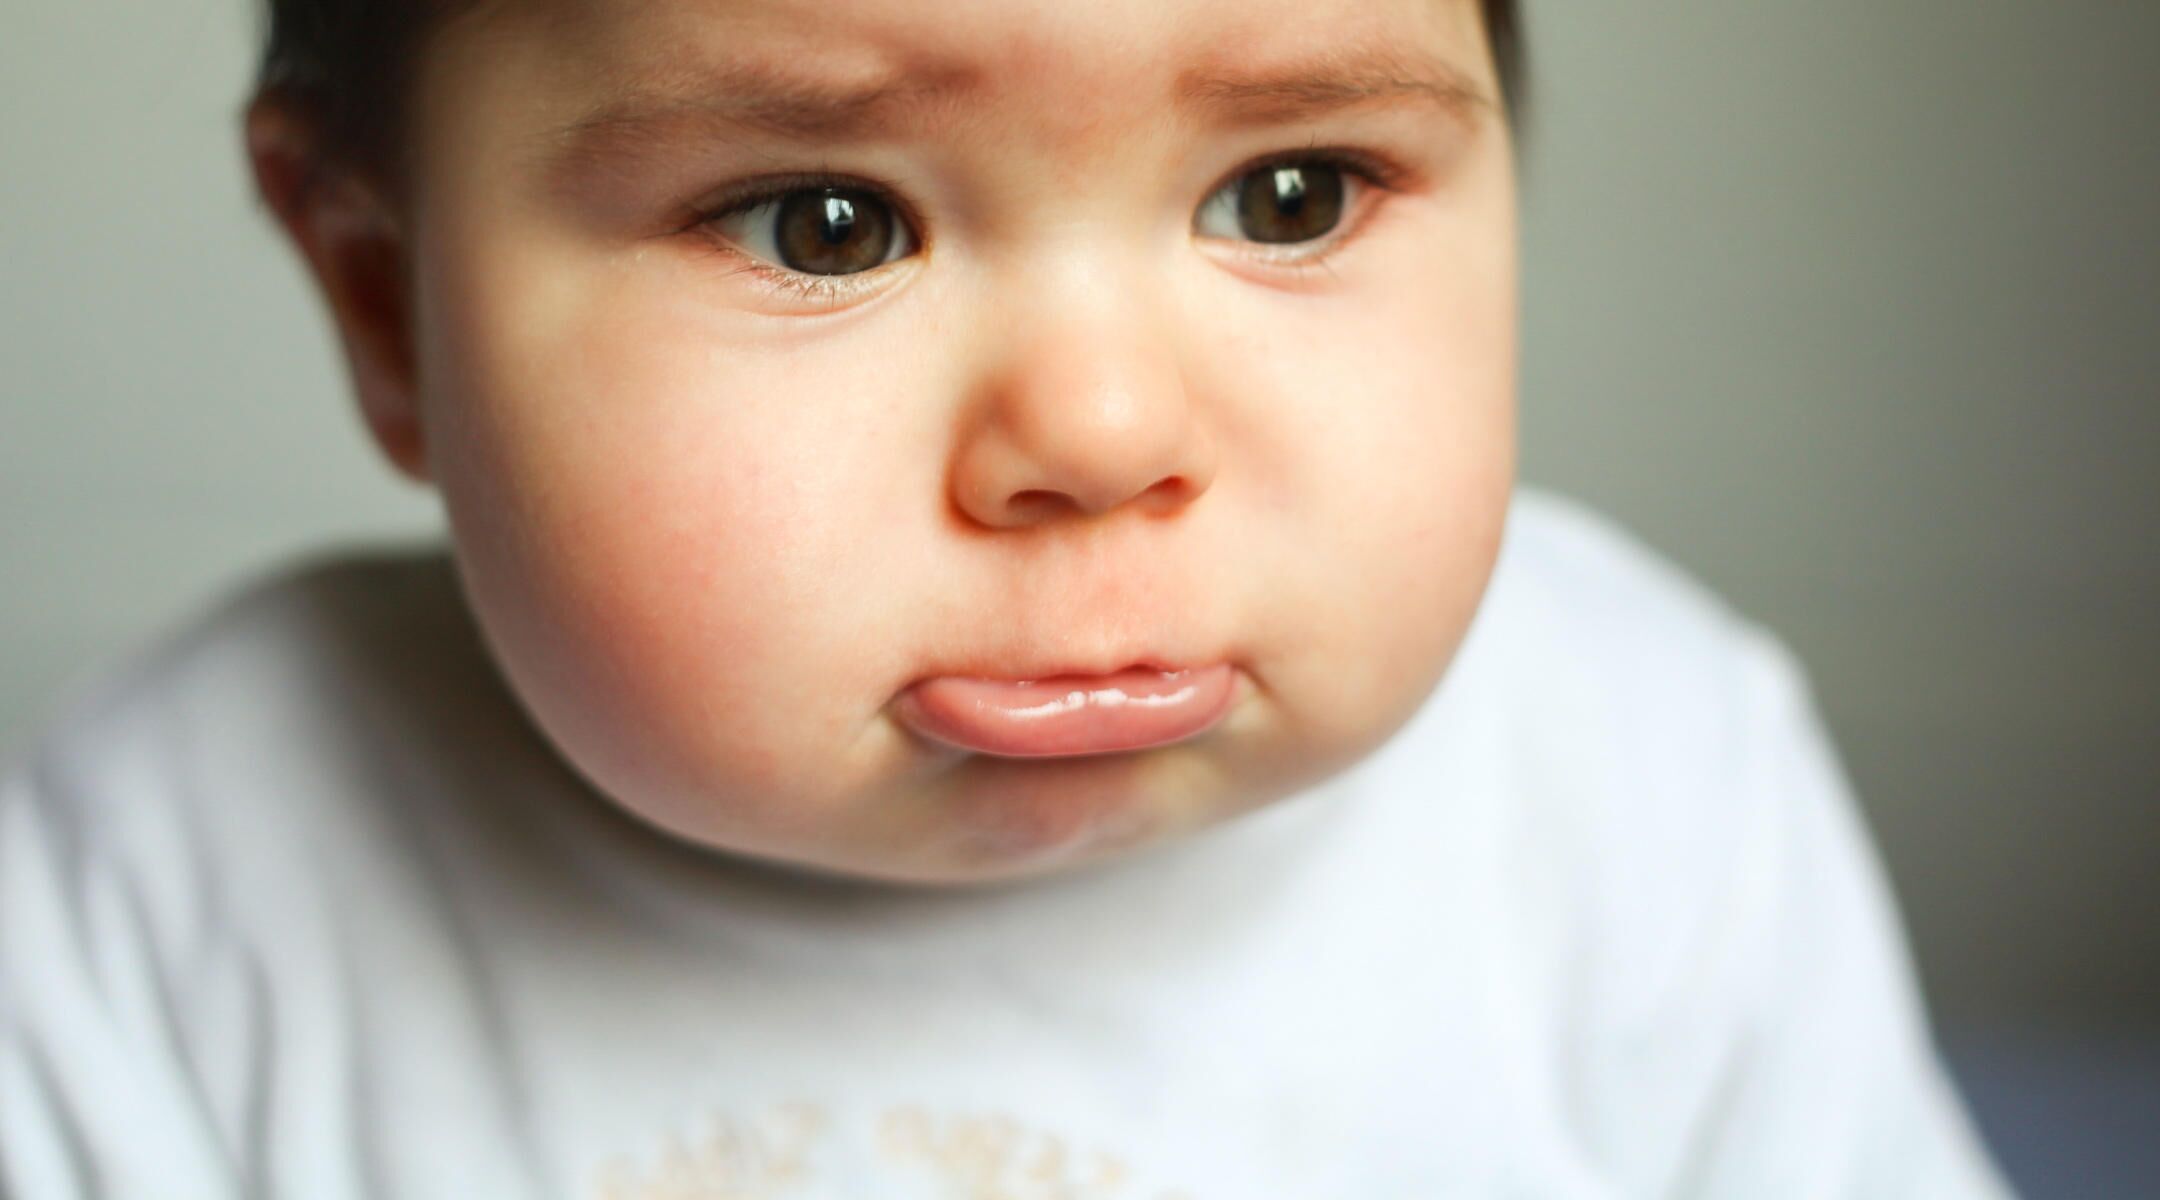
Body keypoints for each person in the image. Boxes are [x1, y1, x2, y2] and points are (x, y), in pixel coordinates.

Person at [0, 0, 2016, 1195]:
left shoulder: (1639, 784)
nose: (1102, 429)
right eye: (825, 223)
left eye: (1291, 191)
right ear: (387, 302)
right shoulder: (167, 879)